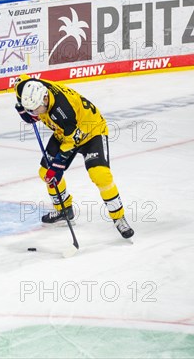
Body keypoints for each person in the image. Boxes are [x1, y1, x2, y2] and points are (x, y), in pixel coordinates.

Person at [14, 75, 134, 239]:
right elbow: (20, 82)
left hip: (91, 132)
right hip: (63, 132)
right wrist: (24, 109)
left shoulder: (63, 111)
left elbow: (71, 142)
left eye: (35, 109)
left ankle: (119, 217)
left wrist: (57, 167)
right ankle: (64, 210)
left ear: (45, 98)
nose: (34, 113)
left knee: (100, 175)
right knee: (45, 173)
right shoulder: (26, 88)